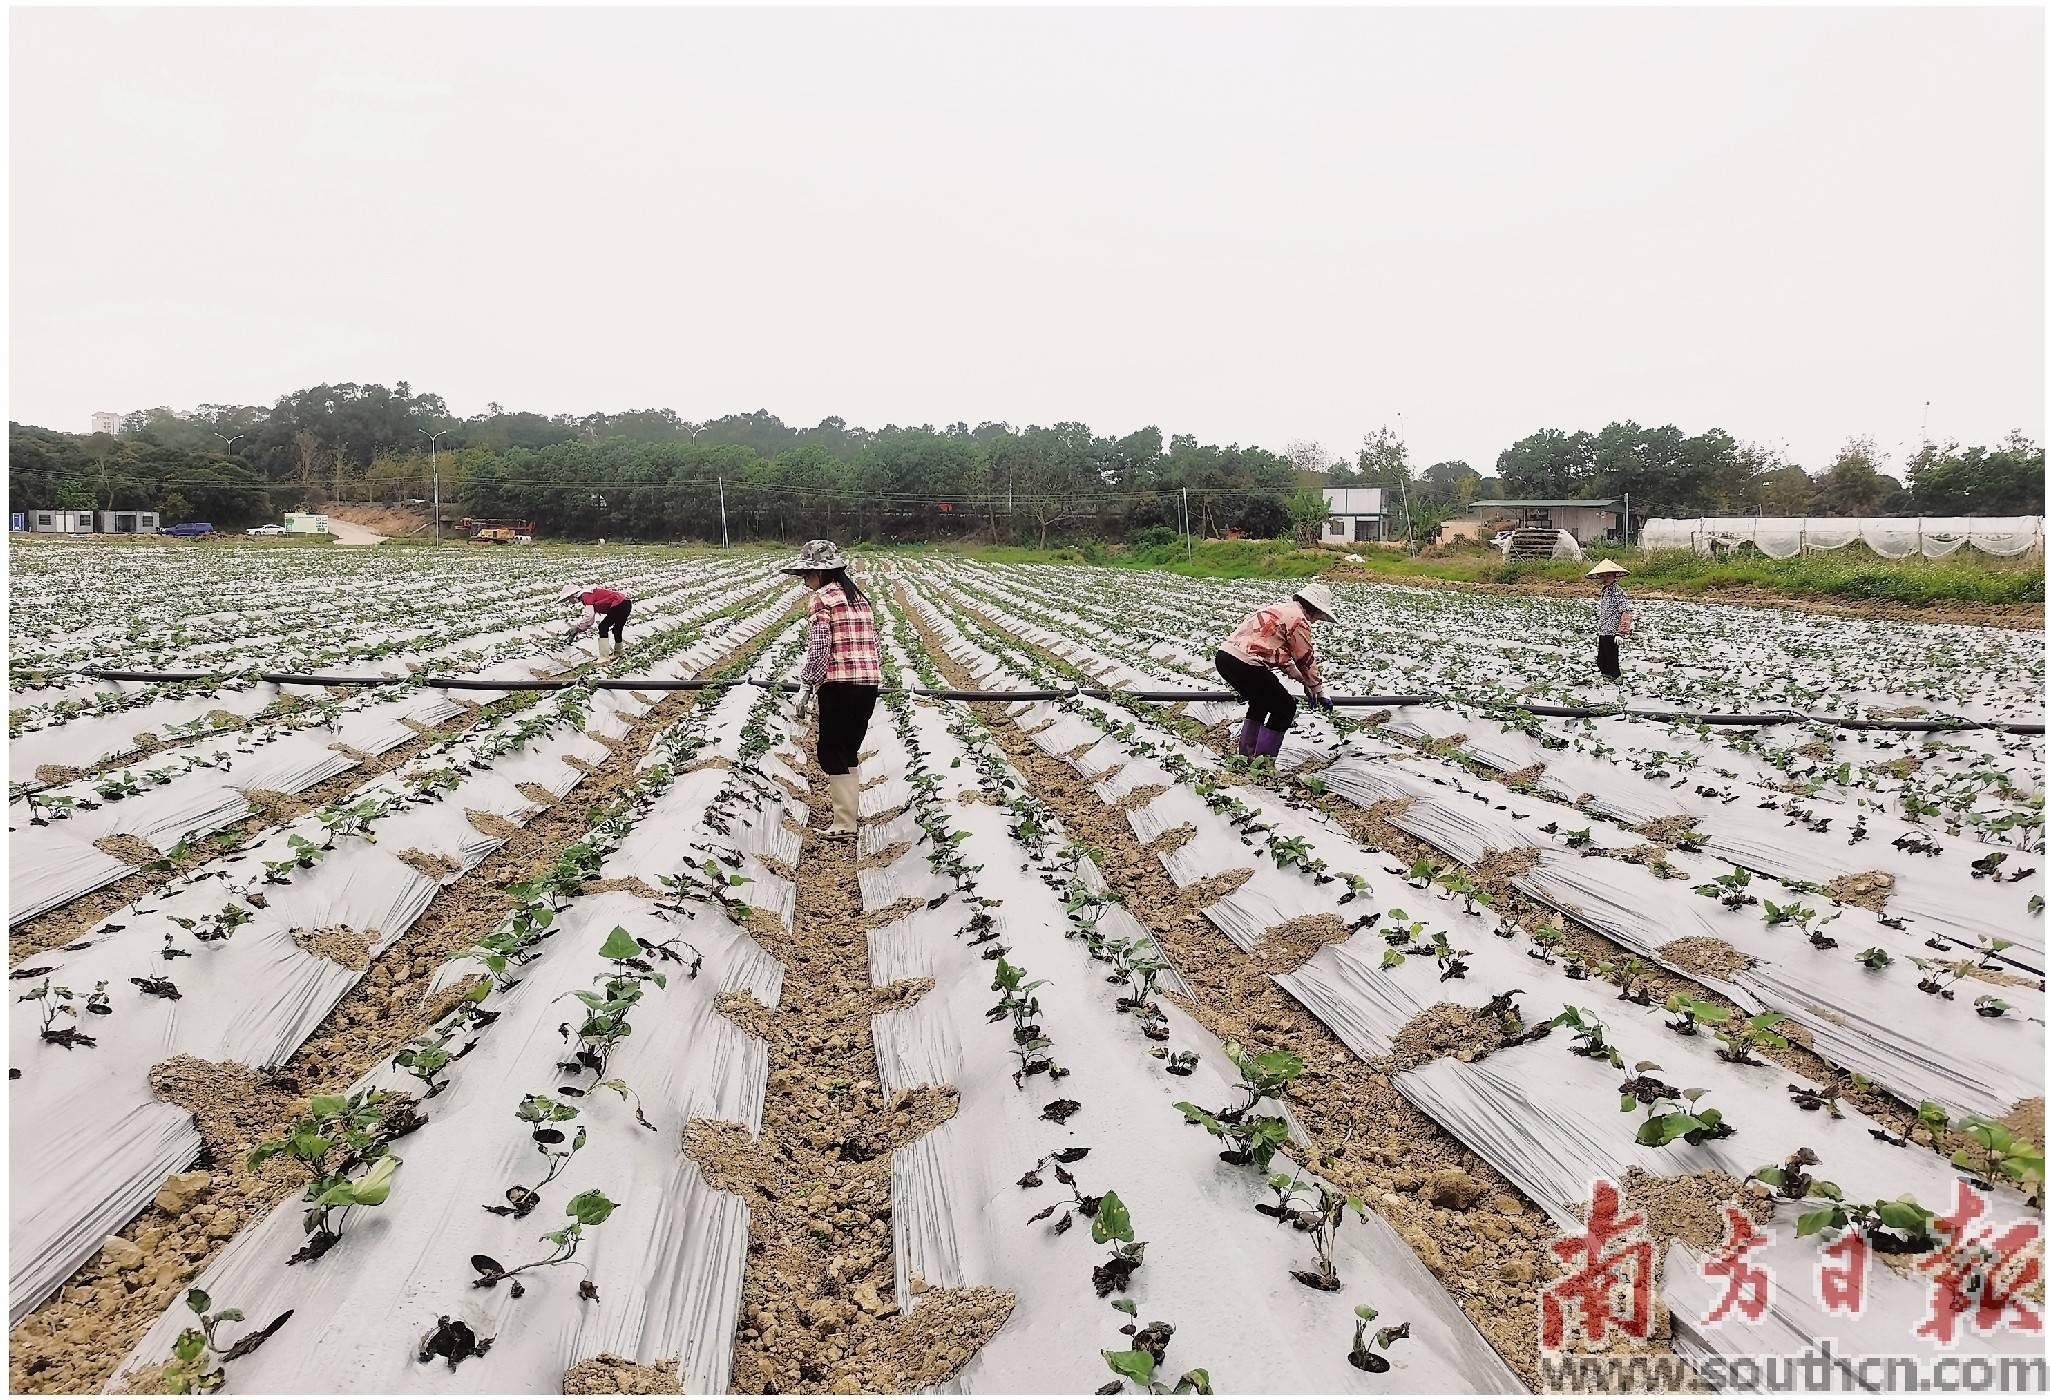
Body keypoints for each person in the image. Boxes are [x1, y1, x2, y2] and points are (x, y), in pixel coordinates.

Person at [785, 540, 881, 836]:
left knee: (831, 750)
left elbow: (819, 646)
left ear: (820, 573)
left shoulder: (822, 598)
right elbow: (875, 643)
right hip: (868, 683)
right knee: (848, 749)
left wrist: (807, 684)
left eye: (806, 575)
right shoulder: (859, 598)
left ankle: (843, 823)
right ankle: (848, 819)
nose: (805, 582)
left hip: (839, 684)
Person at [1214, 582, 1339, 760]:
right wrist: (1318, 690)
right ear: (1315, 609)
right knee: (1285, 707)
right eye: (1319, 616)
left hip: (1225, 658)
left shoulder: (1280, 609)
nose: (1316, 620)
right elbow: (1305, 658)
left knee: (1260, 702)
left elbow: (1281, 657)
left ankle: (1246, 757)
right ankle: (1263, 763)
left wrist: (1305, 682)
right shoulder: (1298, 619)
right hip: (1246, 663)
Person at [1587, 559, 1634, 692]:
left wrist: (1621, 633)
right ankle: (1606, 685)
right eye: (1603, 575)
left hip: (1612, 632)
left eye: (1608, 575)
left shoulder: (1617, 591)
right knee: (1602, 661)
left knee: (1612, 662)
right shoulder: (1606, 590)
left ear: (1614, 575)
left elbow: (1626, 611)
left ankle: (1617, 686)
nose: (1605, 578)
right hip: (1604, 630)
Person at [561, 584, 632, 653]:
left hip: (619, 604)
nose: (569, 602)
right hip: (626, 603)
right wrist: (579, 629)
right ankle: (619, 651)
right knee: (617, 629)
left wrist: (577, 627)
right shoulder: (588, 594)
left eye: (569, 599)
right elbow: (591, 620)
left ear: (573, 595)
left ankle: (604, 656)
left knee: (603, 627)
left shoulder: (585, 595)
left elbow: (589, 615)